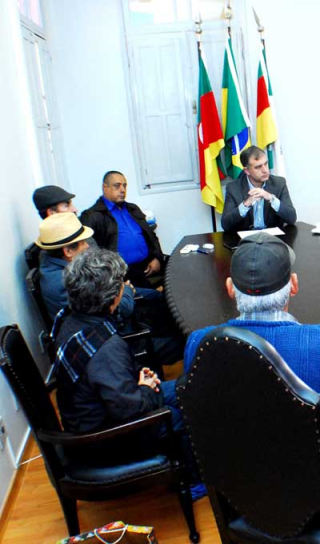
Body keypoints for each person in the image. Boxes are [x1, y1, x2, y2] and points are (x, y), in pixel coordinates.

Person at [183, 232, 320, 494]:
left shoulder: (199, 343)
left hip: (240, 491)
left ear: (230, 288)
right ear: (294, 284)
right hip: (318, 494)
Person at [51, 249, 204, 499]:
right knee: (183, 414)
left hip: (95, 412)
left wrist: (137, 377)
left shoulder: (68, 319)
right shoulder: (107, 348)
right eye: (122, 283)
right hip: (105, 438)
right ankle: (194, 484)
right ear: (112, 298)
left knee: (185, 387)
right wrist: (144, 387)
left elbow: (105, 382)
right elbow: (132, 410)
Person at [36, 213, 183, 368]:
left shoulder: (50, 260)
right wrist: (125, 289)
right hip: (109, 340)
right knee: (182, 342)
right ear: (67, 251)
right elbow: (118, 309)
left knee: (156, 299)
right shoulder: (64, 281)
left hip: (104, 324)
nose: (87, 246)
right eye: (82, 243)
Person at [80, 171, 165, 287]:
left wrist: (157, 258)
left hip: (148, 263)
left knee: (177, 268)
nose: (122, 190)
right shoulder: (92, 216)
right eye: (117, 186)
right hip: (123, 272)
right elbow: (89, 252)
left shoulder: (133, 209)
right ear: (105, 188)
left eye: (124, 186)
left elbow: (152, 236)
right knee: (158, 297)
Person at [221, 146, 297, 232]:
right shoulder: (233, 188)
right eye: (258, 167)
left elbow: (292, 218)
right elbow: (225, 224)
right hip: (245, 241)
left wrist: (271, 199)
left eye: (266, 164)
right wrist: (246, 204)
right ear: (247, 171)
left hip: (273, 240)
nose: (265, 170)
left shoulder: (279, 183)